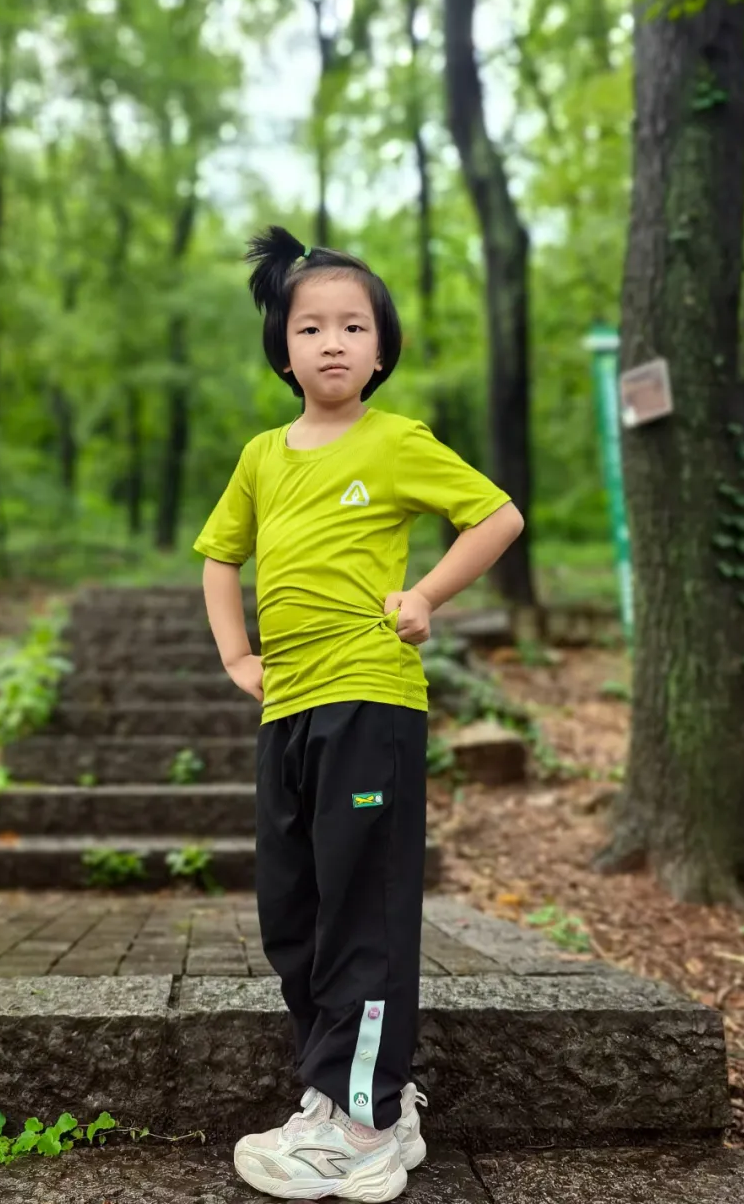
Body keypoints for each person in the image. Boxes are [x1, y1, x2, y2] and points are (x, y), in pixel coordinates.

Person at [193, 226, 525, 1201]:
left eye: (352, 325)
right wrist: (236, 654)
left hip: (371, 700)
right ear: (283, 349)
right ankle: (345, 1091)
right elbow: (220, 556)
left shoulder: (396, 440)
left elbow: (497, 515)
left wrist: (425, 595)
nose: (331, 341)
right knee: (292, 910)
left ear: (381, 349)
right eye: (310, 326)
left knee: (362, 911)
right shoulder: (261, 456)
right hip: (288, 708)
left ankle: (365, 1123)